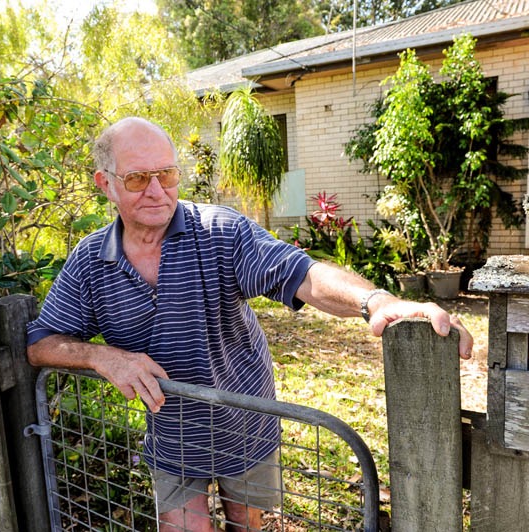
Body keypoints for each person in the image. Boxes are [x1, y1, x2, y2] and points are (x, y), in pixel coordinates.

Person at [26, 116, 473, 531]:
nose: (157, 190)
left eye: (168, 174)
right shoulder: (90, 261)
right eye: (139, 178)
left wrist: (375, 301)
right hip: (172, 436)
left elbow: (303, 274)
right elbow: (40, 342)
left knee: (246, 523)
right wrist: (102, 357)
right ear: (106, 184)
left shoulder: (220, 231)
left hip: (245, 424)